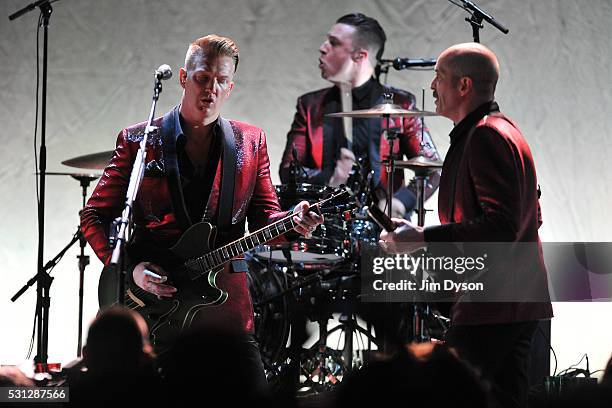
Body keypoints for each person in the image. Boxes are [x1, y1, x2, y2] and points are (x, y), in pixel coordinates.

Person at [80, 34, 322, 390]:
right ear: (183, 78)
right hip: (156, 308)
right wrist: (131, 271)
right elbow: (93, 215)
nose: (211, 89)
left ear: (231, 86)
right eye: (203, 78)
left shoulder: (250, 142)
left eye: (221, 81)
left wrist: (294, 223)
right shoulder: (139, 141)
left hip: (226, 308)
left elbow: (267, 218)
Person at [380, 42, 553, 408]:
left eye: (439, 77)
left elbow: (503, 225)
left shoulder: (487, 135)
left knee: (451, 396)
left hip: (493, 303)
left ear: (464, 86)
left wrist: (423, 237)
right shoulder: (498, 130)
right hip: (511, 300)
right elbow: (528, 217)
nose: (431, 87)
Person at [279, 12, 440, 219]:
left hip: (382, 229)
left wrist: (399, 203)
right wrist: (329, 178)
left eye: (333, 43)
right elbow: (288, 172)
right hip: (323, 227)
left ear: (360, 56)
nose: (322, 47)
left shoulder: (401, 104)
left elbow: (432, 168)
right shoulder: (310, 105)